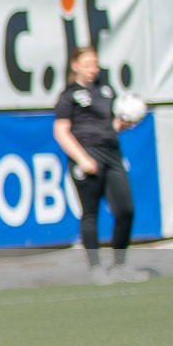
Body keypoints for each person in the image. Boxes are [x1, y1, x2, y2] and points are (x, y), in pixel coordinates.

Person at [53, 46, 138, 282]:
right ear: (75, 65)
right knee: (90, 213)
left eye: (95, 64)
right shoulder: (68, 96)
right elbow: (61, 131)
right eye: (88, 64)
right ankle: (96, 267)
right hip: (86, 155)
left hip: (111, 153)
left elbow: (107, 126)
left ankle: (120, 265)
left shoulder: (106, 90)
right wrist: (82, 158)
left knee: (125, 210)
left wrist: (121, 125)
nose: (93, 69)